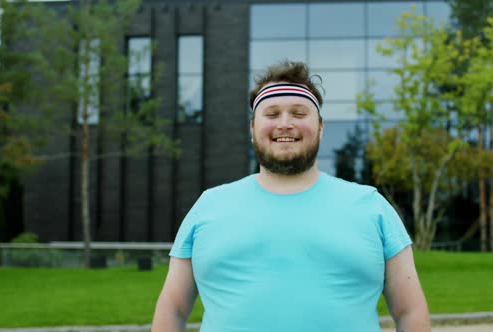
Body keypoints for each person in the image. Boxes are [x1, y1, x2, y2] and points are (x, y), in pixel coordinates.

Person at [152, 60, 430, 332]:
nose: (285, 124)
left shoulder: (372, 207)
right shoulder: (208, 207)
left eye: (298, 113)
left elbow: (410, 312)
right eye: (272, 114)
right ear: (252, 129)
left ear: (320, 128)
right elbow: (172, 310)